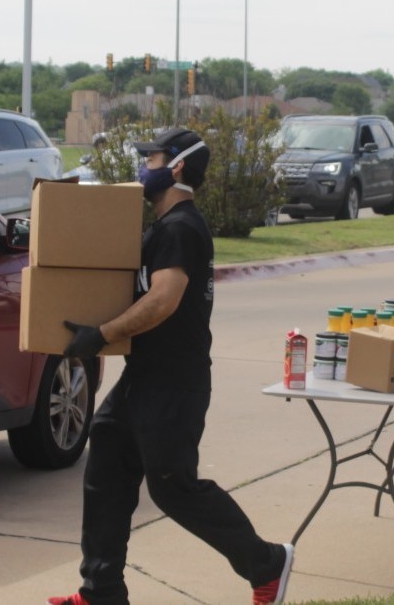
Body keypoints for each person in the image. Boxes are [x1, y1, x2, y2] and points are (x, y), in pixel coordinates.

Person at [51, 128, 293, 605]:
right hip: (144, 376)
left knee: (173, 487)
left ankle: (266, 563)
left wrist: (100, 335)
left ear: (177, 166)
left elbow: (164, 299)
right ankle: (100, 591)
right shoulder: (162, 228)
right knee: (106, 470)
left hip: (175, 382)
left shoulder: (181, 227)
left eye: (152, 157)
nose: (145, 165)